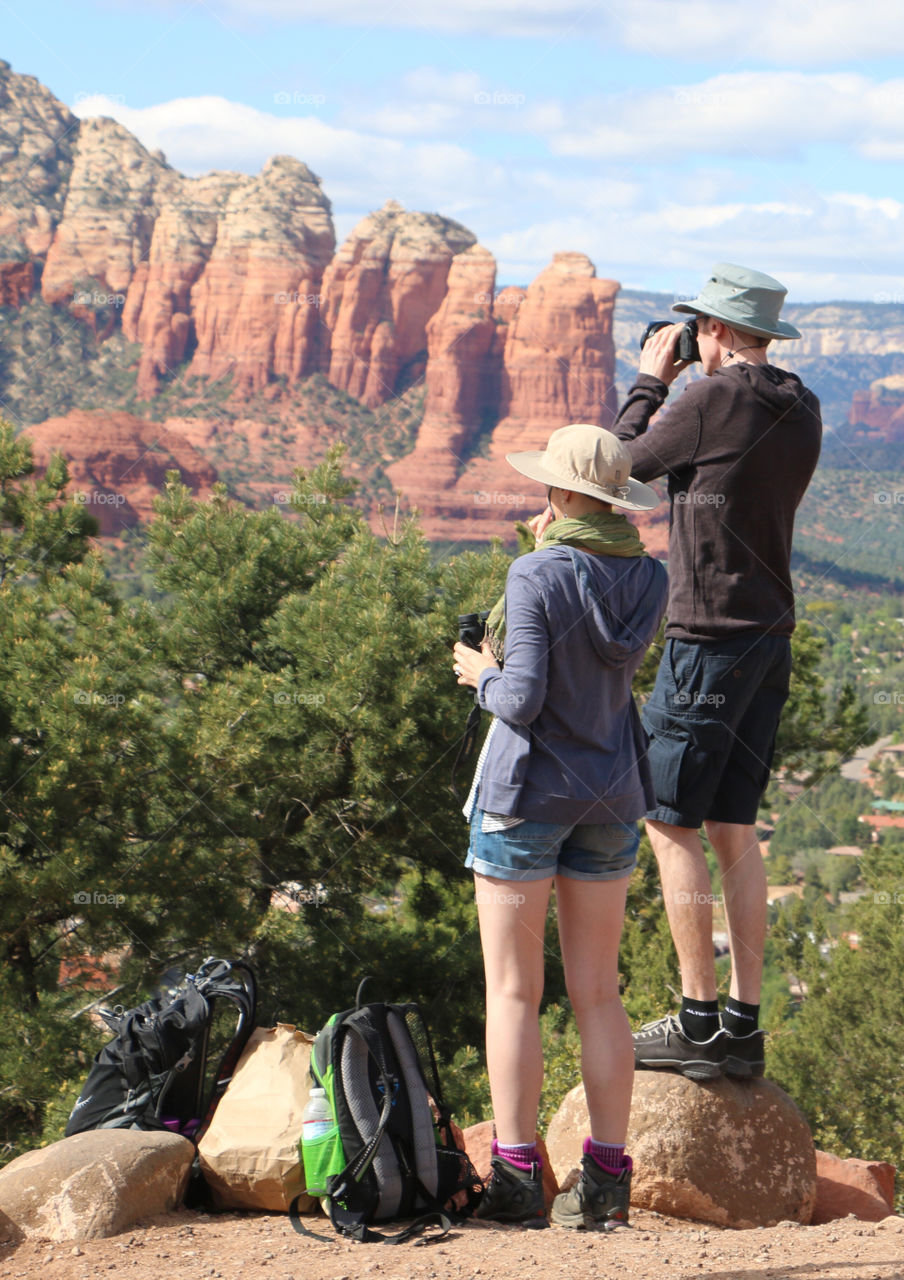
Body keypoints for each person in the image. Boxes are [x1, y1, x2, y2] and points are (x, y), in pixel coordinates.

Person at [451, 424, 668, 1229]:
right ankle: (605, 1184)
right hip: (611, 797)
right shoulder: (651, 577)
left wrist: (482, 673)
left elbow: (523, 699)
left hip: (525, 801)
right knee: (599, 995)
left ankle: (515, 1180)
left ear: (567, 494)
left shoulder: (534, 572)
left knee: (512, 992)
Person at [613, 263, 822, 1082]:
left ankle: (697, 1023)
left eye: (697, 327)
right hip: (770, 636)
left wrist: (644, 383)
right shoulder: (801, 403)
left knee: (668, 820)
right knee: (735, 826)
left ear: (717, 331)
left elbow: (616, 470)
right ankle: (742, 1023)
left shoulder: (707, 399)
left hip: (707, 640)